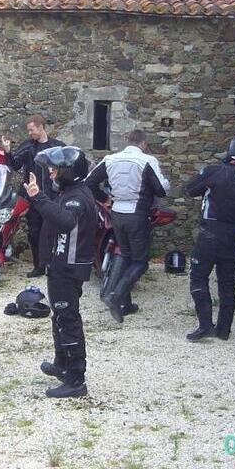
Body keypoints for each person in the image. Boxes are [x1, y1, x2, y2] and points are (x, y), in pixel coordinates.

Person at [24, 146, 96, 398]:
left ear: (69, 171)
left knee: (68, 320)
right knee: (59, 316)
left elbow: (65, 221)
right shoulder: (69, 192)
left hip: (69, 268)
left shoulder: (78, 197)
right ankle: (62, 364)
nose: (51, 173)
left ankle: (76, 379)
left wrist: (37, 196)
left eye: (55, 169)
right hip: (59, 266)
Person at [86, 129, 170, 323]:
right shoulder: (147, 161)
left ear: (128, 142)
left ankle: (127, 304)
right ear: (143, 144)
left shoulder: (110, 159)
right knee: (140, 262)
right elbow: (161, 189)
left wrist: (105, 198)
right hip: (137, 213)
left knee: (125, 254)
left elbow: (89, 182)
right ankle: (116, 297)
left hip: (116, 212)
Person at [184, 134, 235, 341]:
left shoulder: (214, 172)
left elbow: (190, 189)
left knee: (199, 277)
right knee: (226, 282)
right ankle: (224, 329)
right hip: (233, 237)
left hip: (209, 234)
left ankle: (205, 325)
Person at [1, 114, 64, 278]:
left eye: (31, 130)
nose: (30, 133)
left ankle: (54, 265)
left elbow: (69, 167)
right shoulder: (28, 147)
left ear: (41, 127)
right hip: (34, 199)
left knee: (54, 234)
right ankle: (39, 266)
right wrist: (7, 151)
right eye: (28, 130)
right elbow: (14, 164)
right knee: (34, 233)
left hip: (53, 198)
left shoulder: (57, 147)